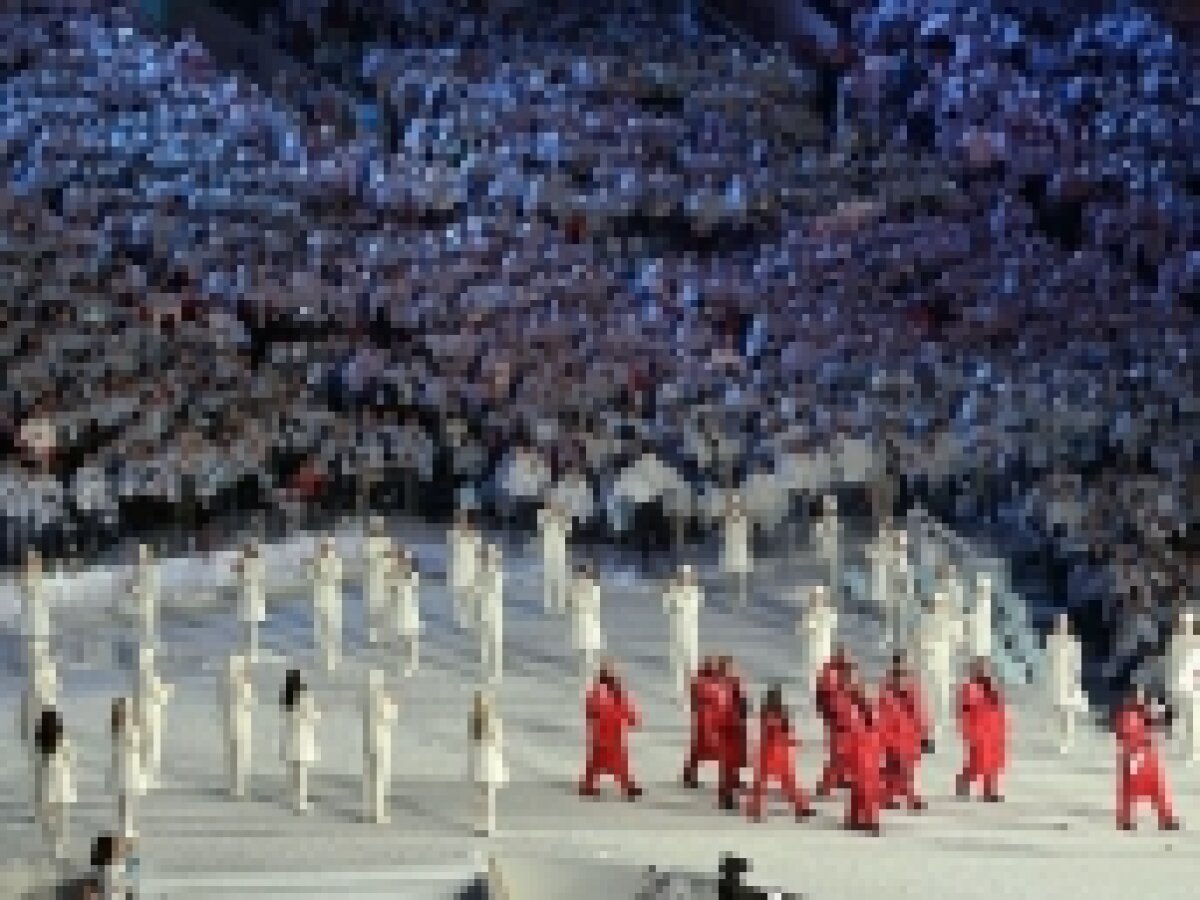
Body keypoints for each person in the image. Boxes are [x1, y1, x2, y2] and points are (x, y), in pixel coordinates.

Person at [744, 684, 813, 822]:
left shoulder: (766, 715)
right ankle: (801, 807)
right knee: (787, 783)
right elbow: (785, 732)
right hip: (781, 753)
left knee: (761, 784)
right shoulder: (781, 715)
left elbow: (770, 733)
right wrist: (793, 742)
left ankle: (755, 809)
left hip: (769, 752)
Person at [1114, 687, 1179, 831]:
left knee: (1158, 790)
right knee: (1131, 790)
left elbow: (1162, 721)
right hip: (1136, 756)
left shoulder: (1146, 713)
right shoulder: (1129, 714)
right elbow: (1125, 735)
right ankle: (1126, 820)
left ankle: (1165, 819)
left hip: (1148, 757)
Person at [579, 659, 642, 800]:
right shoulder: (602, 691)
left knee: (616, 761)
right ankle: (590, 786)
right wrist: (631, 718)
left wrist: (632, 718)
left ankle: (626, 785)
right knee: (600, 761)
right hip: (605, 731)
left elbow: (626, 707)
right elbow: (593, 709)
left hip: (612, 731)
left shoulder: (614, 692)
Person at [877, 652, 930, 811]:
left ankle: (886, 796)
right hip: (894, 735)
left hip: (909, 735)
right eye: (899, 665)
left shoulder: (911, 686)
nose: (902, 668)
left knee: (900, 769)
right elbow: (883, 715)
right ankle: (910, 798)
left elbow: (919, 711)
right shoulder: (887, 689)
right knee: (902, 769)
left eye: (904, 665)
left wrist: (924, 733)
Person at [955, 657, 1008, 802]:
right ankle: (964, 781)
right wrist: (968, 730)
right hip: (978, 730)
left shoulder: (992, 686)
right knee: (978, 762)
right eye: (980, 668)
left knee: (993, 762)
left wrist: (1003, 728)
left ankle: (989, 790)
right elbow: (965, 711)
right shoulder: (970, 687)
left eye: (985, 668)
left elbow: (999, 708)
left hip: (994, 730)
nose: (983, 671)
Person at [841, 670, 883, 835]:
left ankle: (857, 818)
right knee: (863, 787)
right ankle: (867, 819)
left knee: (863, 787)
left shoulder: (865, 705)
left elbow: (876, 725)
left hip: (868, 747)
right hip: (859, 748)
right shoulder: (849, 706)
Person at [35, 707, 75, 861]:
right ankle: (61, 850)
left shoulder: (40, 745)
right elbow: (71, 759)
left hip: (46, 786)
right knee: (62, 822)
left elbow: (37, 767)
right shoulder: (64, 741)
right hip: (62, 784)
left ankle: (52, 850)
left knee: (48, 821)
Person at [814, 646, 853, 798]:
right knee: (839, 754)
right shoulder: (830, 675)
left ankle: (840, 778)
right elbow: (828, 699)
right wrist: (833, 716)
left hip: (843, 719)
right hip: (838, 720)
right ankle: (825, 786)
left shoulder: (838, 674)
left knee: (845, 753)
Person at [280, 669, 320, 814]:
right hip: (303, 739)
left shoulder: (286, 699)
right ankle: (301, 803)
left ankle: (295, 800)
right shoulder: (304, 698)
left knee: (294, 773)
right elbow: (313, 716)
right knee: (302, 775)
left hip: (291, 739)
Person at [1046, 612, 1086, 754]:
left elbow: (1076, 664)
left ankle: (1067, 739)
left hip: (1068, 679)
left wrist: (1074, 681)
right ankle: (1059, 737)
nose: (1060, 626)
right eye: (1058, 623)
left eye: (1063, 623)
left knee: (1068, 712)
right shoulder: (1051, 641)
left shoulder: (1073, 643)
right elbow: (1049, 660)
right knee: (1057, 711)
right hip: (1056, 680)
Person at [469, 690, 508, 835]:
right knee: (489, 797)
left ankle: (478, 824)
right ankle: (489, 825)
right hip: (490, 761)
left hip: (478, 762)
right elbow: (499, 741)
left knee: (479, 797)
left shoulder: (474, 723)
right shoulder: (494, 723)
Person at [682, 656, 724, 789]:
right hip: (709, 724)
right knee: (722, 753)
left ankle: (689, 776)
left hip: (703, 723)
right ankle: (727, 780)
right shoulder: (710, 686)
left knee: (697, 752)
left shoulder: (699, 684)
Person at [362, 669, 397, 824]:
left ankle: (368, 811)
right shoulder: (382, 698)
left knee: (369, 778)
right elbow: (390, 717)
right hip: (382, 740)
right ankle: (378, 813)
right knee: (380, 778)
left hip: (369, 739)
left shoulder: (366, 697)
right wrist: (392, 704)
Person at [716, 655, 750, 811]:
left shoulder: (733, 683)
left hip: (735, 725)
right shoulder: (720, 685)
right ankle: (726, 795)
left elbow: (742, 702)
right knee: (728, 763)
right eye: (730, 667)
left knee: (735, 760)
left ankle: (733, 784)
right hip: (726, 727)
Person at [108, 698, 144, 842]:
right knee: (126, 801)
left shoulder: (120, 728)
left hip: (127, 770)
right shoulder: (125, 730)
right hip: (126, 770)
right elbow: (135, 743)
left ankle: (126, 828)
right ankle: (126, 830)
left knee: (127, 801)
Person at [221, 653, 254, 799]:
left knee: (233, 754)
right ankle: (239, 787)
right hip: (241, 722)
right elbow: (248, 703)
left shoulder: (227, 683)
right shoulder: (241, 685)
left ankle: (234, 786)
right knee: (241, 755)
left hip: (231, 721)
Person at [387, 545, 421, 675]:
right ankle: (403, 663)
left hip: (410, 609)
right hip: (398, 610)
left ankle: (412, 663)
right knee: (400, 638)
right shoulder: (393, 574)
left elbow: (411, 579)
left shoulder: (411, 575)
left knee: (411, 638)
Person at [569, 562, 605, 683]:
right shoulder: (576, 588)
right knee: (581, 650)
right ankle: (583, 672)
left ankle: (592, 674)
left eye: (584, 575)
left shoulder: (594, 590)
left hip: (590, 624)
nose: (582, 578)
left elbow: (591, 605)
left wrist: (581, 594)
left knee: (591, 651)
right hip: (580, 624)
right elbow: (573, 603)